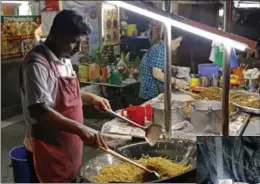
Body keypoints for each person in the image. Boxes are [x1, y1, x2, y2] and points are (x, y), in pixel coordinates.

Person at [19, 10, 111, 183]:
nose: (77, 48)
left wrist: (91, 98)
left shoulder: (65, 57)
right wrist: (80, 129)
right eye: (73, 42)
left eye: (80, 42)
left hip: (68, 144)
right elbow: (38, 110)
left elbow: (62, 94)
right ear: (56, 35)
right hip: (47, 149)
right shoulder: (36, 64)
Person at [139, 36, 189, 101]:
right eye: (177, 42)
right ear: (169, 39)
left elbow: (158, 64)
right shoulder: (160, 50)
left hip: (153, 91)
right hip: (151, 93)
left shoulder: (160, 47)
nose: (178, 45)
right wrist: (176, 81)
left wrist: (176, 68)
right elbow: (157, 74)